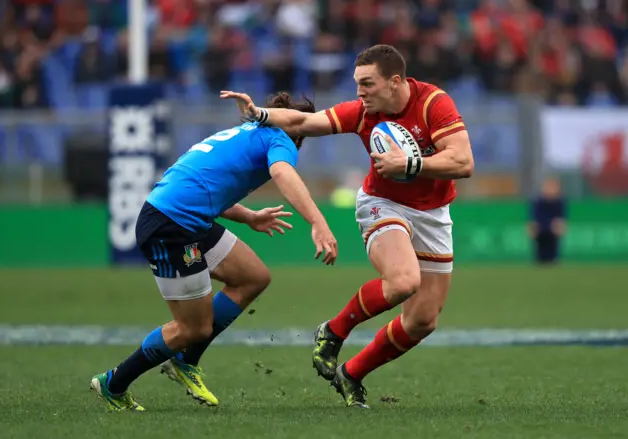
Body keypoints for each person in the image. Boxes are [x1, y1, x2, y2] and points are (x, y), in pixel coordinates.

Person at [221, 44, 474, 409]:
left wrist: (411, 163)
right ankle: (334, 330)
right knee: (403, 281)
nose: (360, 92)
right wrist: (259, 113)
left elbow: (463, 161)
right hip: (382, 204)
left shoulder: (434, 103)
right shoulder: (361, 113)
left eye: (367, 83)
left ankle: (352, 373)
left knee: (422, 320)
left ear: (395, 81)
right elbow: (303, 122)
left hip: (433, 213)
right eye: (357, 84)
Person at [90, 92, 338, 411]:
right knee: (193, 328)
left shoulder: (247, 132)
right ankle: (114, 383)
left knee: (252, 277)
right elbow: (282, 173)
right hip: (172, 228)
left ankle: (185, 361)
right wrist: (318, 222)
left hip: (186, 219)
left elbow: (204, 185)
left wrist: (249, 216)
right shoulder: (280, 139)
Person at [528, 178, 567, 264]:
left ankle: (553, 258)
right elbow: (533, 219)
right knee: (541, 252)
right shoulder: (538, 201)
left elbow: (561, 219)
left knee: (552, 251)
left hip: (552, 230)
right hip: (541, 229)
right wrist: (533, 228)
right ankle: (540, 259)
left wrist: (560, 227)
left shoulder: (559, 201)